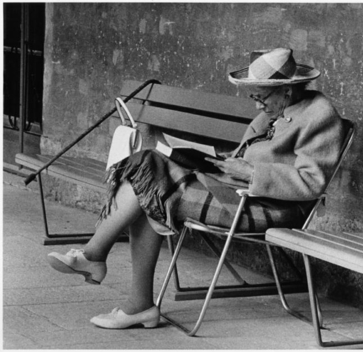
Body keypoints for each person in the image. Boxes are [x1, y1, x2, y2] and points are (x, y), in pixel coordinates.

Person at [47, 47, 345, 329]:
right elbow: (251, 153)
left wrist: (252, 172)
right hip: (238, 193)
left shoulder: (320, 115)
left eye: (261, 96)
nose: (257, 104)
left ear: (287, 90)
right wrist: (222, 161)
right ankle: (115, 279)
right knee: (149, 178)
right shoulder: (274, 109)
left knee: (149, 182)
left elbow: (311, 181)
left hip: (271, 207)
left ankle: (106, 269)